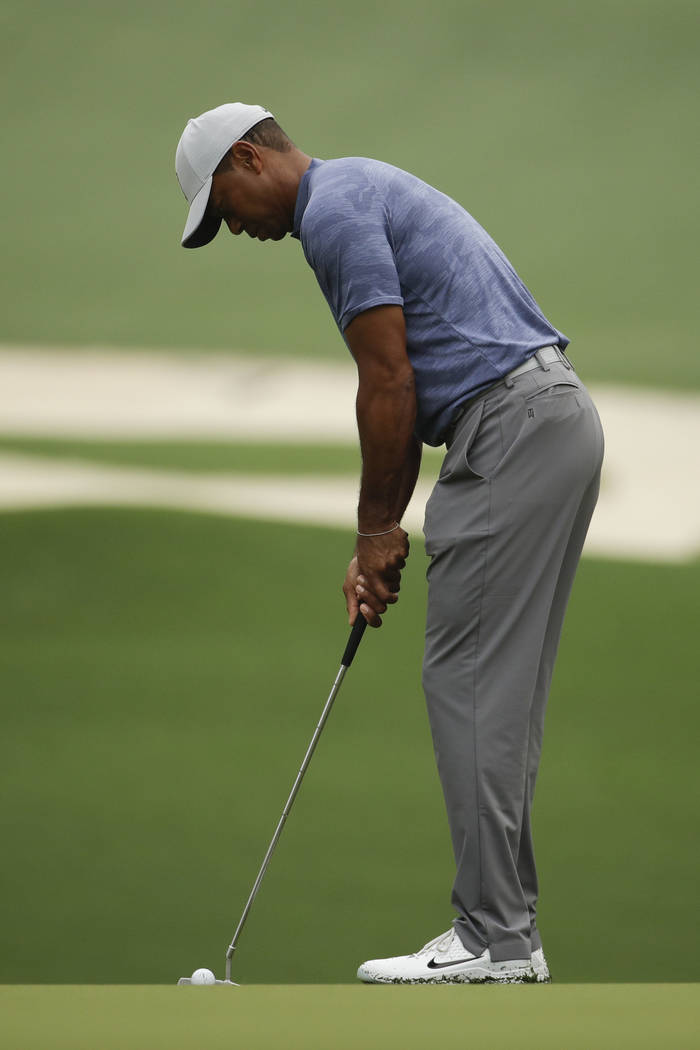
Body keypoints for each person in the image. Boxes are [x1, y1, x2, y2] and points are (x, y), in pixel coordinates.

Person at [175, 102, 604, 984]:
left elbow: (388, 379)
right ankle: (506, 933)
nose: (234, 229)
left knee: (470, 680)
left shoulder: (332, 212)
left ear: (250, 159)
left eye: (224, 207)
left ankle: (493, 939)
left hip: (511, 429)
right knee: (498, 688)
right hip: (553, 420)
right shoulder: (359, 187)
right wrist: (378, 534)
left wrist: (376, 531)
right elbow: (401, 388)